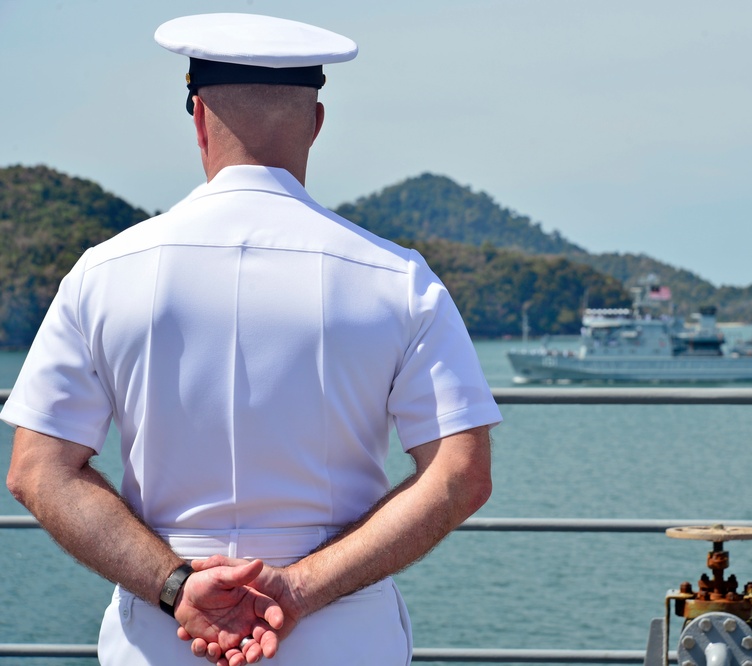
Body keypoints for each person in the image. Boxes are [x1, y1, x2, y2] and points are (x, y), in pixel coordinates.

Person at [3, 13, 501, 666]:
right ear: (317, 123)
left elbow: (37, 471)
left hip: (163, 642)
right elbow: (460, 475)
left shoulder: (104, 273)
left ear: (199, 117)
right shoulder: (399, 280)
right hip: (343, 639)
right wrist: (296, 588)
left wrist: (175, 585)